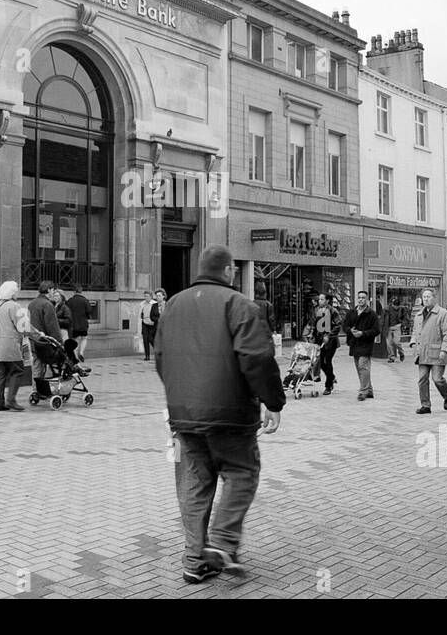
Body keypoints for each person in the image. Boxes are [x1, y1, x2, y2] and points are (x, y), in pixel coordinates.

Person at [155, 245, 285, 585]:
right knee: (242, 472)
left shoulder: (173, 305)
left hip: (183, 417)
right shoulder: (240, 305)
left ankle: (194, 560)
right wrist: (273, 402)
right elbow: (256, 358)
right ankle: (224, 543)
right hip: (231, 414)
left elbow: (160, 357)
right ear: (228, 271)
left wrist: (180, 396)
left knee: (194, 485)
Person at [0, 281, 44, 411]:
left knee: (0, 373)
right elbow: (24, 327)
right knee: (17, 370)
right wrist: (38, 335)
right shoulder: (14, 306)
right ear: (13, 293)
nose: (17, 293)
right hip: (9, 345)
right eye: (16, 291)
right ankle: (11, 400)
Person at [409, 288, 447, 414]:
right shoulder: (419, 315)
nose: (426, 299)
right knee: (422, 379)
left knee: (437, 379)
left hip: (437, 353)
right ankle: (425, 405)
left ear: (434, 298)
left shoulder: (442, 313)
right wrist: (413, 341)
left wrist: (445, 350)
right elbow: (415, 331)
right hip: (422, 352)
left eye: (428, 296)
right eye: (424, 297)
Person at [25, 281, 63, 405]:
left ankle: (36, 390)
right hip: (45, 342)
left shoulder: (32, 304)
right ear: (49, 290)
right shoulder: (47, 305)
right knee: (52, 365)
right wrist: (59, 342)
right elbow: (52, 326)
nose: (54, 293)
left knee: (36, 364)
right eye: (53, 291)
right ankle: (50, 390)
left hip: (34, 340)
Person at [342, 290, 379, 401]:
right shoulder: (351, 312)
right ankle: (369, 390)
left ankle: (363, 391)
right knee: (360, 367)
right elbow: (344, 326)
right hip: (354, 343)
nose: (361, 299)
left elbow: (376, 330)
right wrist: (350, 331)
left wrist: (363, 333)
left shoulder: (371, 314)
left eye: (363, 297)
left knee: (363, 366)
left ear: (367, 299)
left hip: (366, 343)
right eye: (359, 297)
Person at [311, 294, 339, 394]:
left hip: (330, 342)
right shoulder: (316, 311)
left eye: (322, 299)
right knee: (320, 362)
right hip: (319, 340)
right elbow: (314, 324)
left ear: (327, 301)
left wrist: (329, 335)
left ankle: (328, 385)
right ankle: (331, 376)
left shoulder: (333, 311)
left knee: (327, 360)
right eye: (319, 299)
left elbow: (338, 325)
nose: (320, 301)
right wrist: (311, 336)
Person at [65, 286, 91, 360]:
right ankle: (81, 352)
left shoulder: (70, 301)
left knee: (74, 341)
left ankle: (75, 356)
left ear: (74, 291)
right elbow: (89, 310)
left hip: (73, 325)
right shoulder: (85, 300)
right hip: (83, 324)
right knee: (84, 338)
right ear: (81, 291)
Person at [384, 297, 407, 364]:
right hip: (388, 327)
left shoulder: (402, 309)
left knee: (396, 342)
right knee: (389, 343)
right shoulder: (387, 309)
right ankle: (391, 357)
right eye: (395, 306)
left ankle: (401, 352)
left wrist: (402, 324)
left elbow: (405, 318)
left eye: (397, 306)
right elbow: (383, 318)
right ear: (392, 304)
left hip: (397, 327)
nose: (396, 307)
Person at [139, 290, 160, 362]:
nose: (145, 297)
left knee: (151, 339)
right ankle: (147, 355)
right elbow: (141, 313)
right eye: (144, 296)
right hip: (145, 323)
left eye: (147, 296)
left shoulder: (154, 304)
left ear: (151, 296)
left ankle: (158, 352)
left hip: (152, 324)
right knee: (145, 339)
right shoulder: (142, 304)